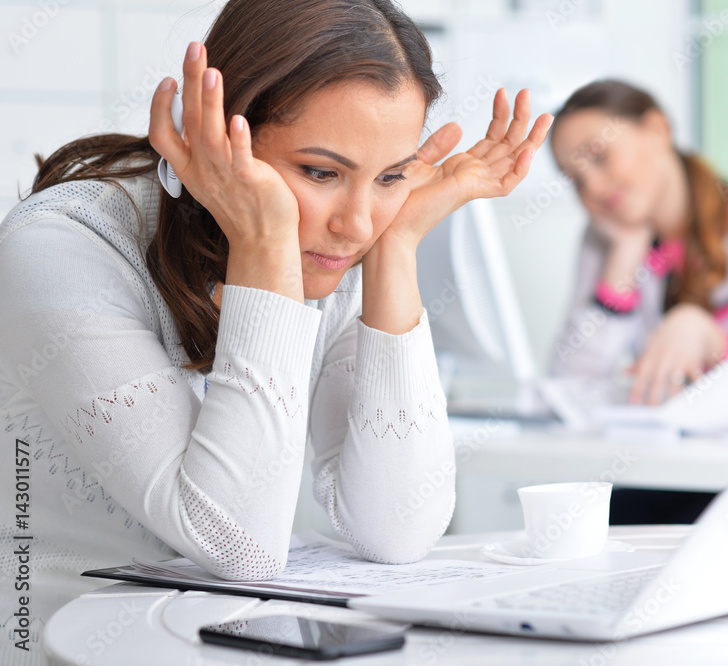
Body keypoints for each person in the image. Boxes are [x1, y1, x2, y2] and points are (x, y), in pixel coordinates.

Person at [0, 0, 551, 653]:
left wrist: (398, 248)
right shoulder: (61, 245)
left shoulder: (345, 241)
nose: (355, 223)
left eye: (389, 176)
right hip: (63, 645)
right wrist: (263, 246)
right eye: (321, 172)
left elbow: (397, 527)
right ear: (217, 133)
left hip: (231, 642)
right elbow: (236, 546)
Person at [547, 80, 728, 526]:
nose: (592, 186)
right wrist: (624, 259)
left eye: (599, 156)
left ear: (657, 128)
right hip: (667, 473)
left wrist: (707, 334)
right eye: (575, 179)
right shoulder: (602, 242)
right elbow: (568, 386)